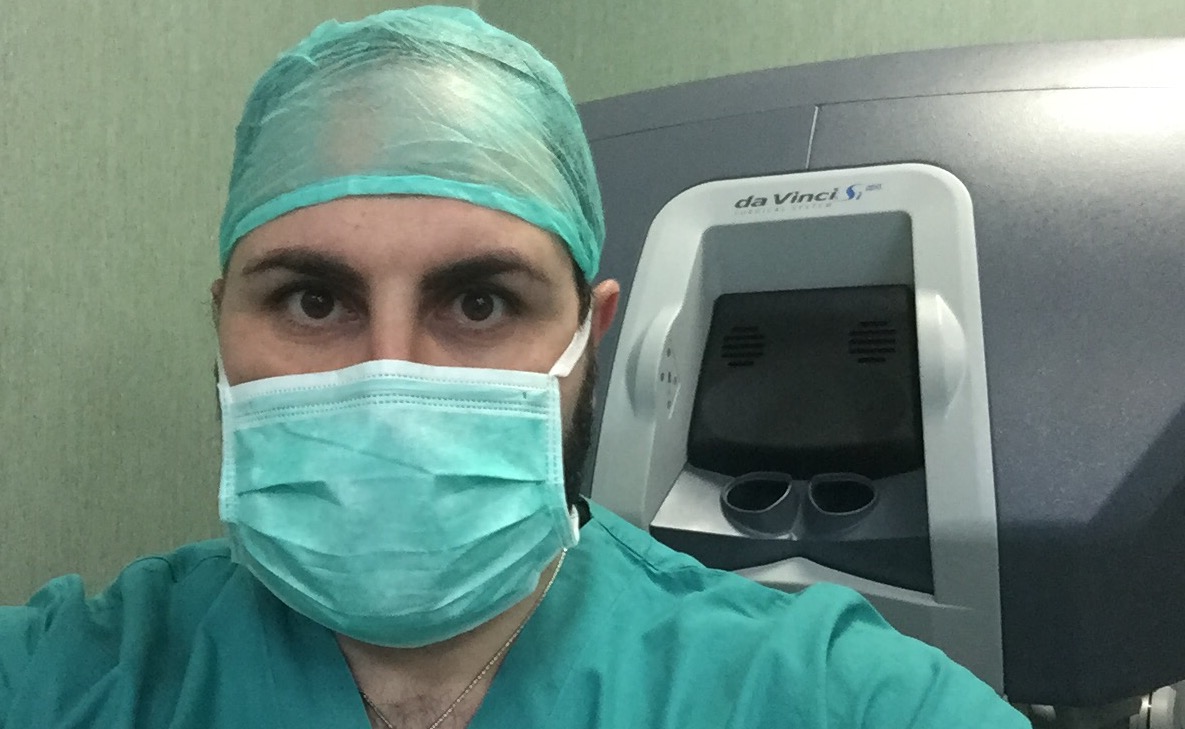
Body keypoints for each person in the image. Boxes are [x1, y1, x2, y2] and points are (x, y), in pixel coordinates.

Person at [0, 7, 1030, 728]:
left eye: (480, 302)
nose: (390, 381)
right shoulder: (72, 678)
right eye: (312, 300)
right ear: (222, 324)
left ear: (592, 336)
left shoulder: (825, 697)